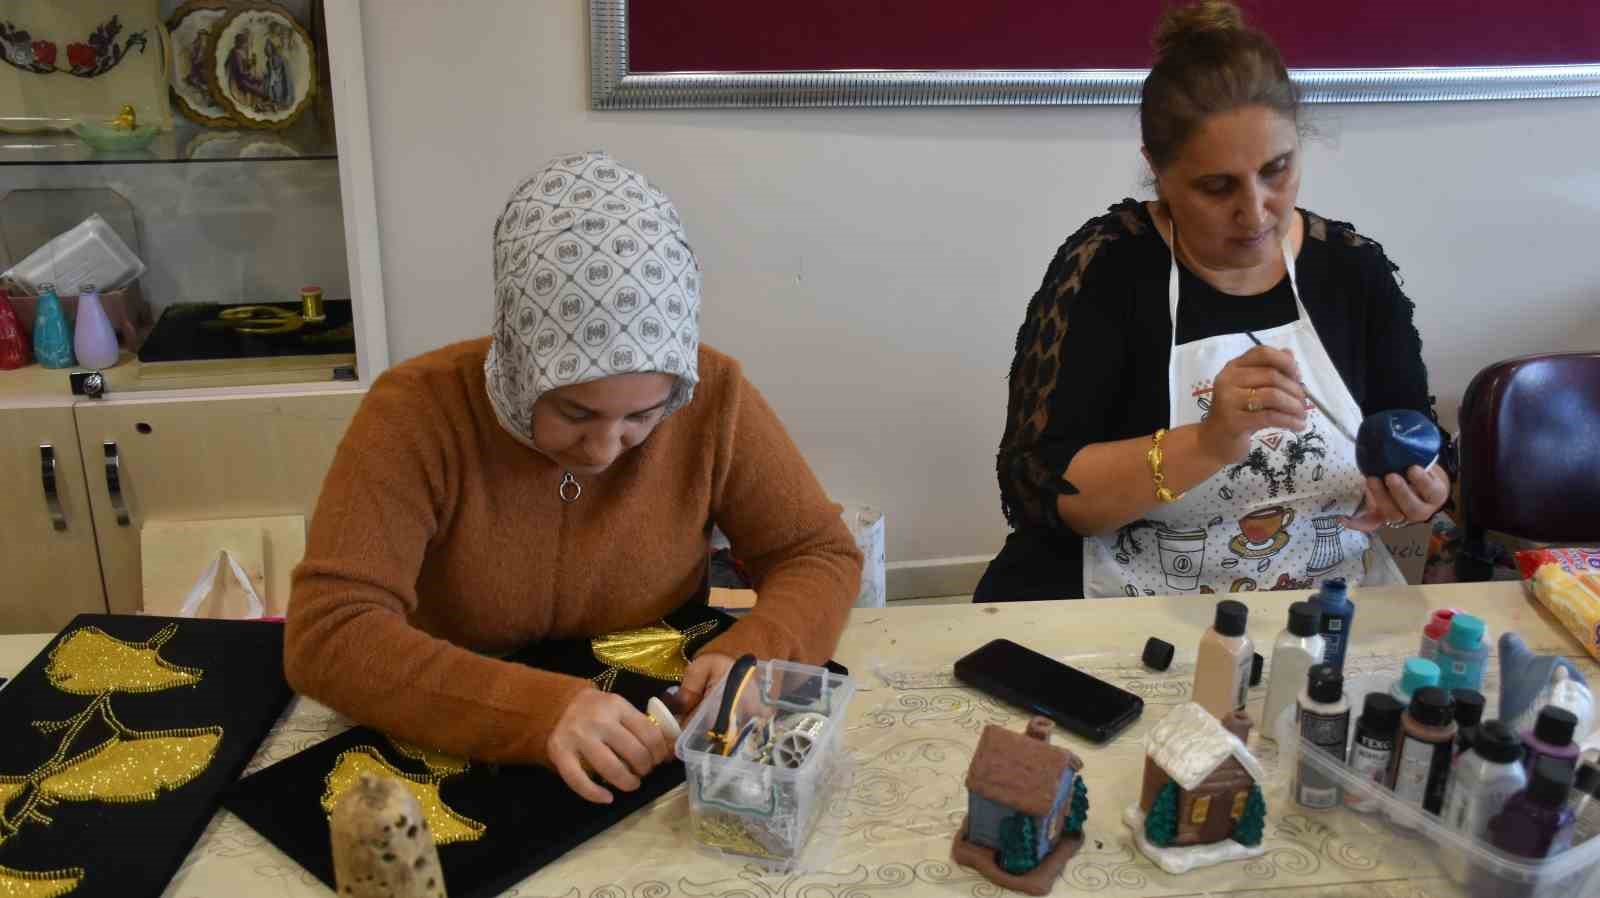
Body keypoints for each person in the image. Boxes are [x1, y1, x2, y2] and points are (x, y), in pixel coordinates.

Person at [286, 151, 863, 804]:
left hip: (657, 726)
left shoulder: (715, 396)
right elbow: (328, 633)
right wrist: (535, 711)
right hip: (450, 722)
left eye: (643, 416)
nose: (605, 448)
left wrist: (751, 654)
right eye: (574, 412)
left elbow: (818, 554)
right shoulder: (415, 411)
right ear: (519, 360)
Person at [976, 1, 1452, 602]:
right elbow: (1039, 487)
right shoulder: (1108, 270)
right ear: (1158, 171)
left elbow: (1418, 436)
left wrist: (1422, 488)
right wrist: (1206, 444)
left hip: (1322, 604)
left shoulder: (1353, 272)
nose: (1254, 213)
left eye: (1276, 170)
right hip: (1128, 611)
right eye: (1216, 187)